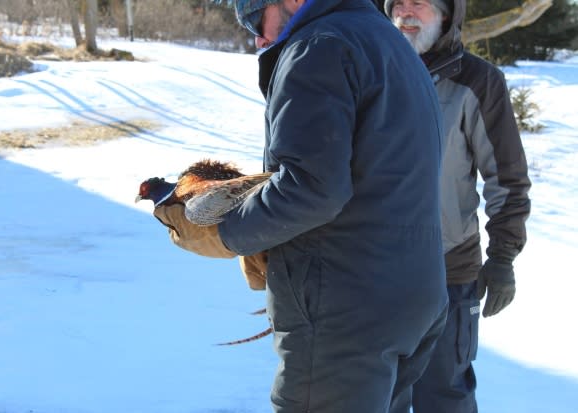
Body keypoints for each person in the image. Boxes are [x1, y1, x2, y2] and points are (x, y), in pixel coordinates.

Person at [157, 0, 448, 411]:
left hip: (344, 308)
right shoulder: (390, 42)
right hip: (412, 295)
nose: (258, 38)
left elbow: (312, 188)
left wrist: (224, 233)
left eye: (257, 19)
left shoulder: (319, 45)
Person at [384, 0, 532, 411]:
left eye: (419, 4)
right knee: (377, 398)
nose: (405, 13)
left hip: (446, 275)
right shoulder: (371, 72)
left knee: (444, 398)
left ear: (446, 14)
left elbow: (506, 177)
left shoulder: (477, 81)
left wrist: (502, 257)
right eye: (398, 3)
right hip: (372, 274)